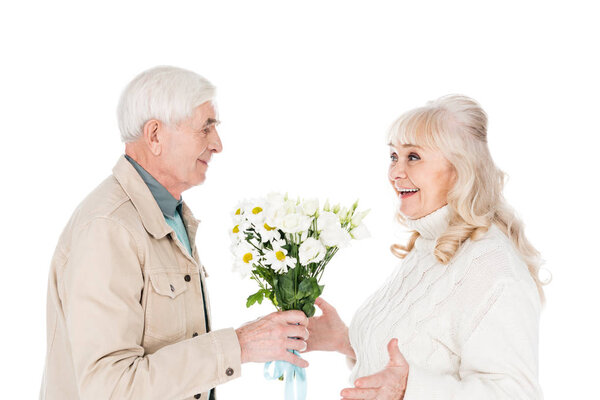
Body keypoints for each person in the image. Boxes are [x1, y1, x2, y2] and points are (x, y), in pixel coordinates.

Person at [40, 66, 309, 400]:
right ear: (155, 136)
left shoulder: (169, 215)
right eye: (206, 128)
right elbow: (108, 388)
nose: (218, 144)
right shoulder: (108, 228)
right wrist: (239, 345)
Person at [305, 95, 546, 399]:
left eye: (413, 157)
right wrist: (347, 341)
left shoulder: (493, 266)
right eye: (393, 156)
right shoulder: (431, 246)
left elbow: (515, 394)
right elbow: (421, 351)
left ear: (460, 169)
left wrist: (410, 388)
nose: (395, 172)